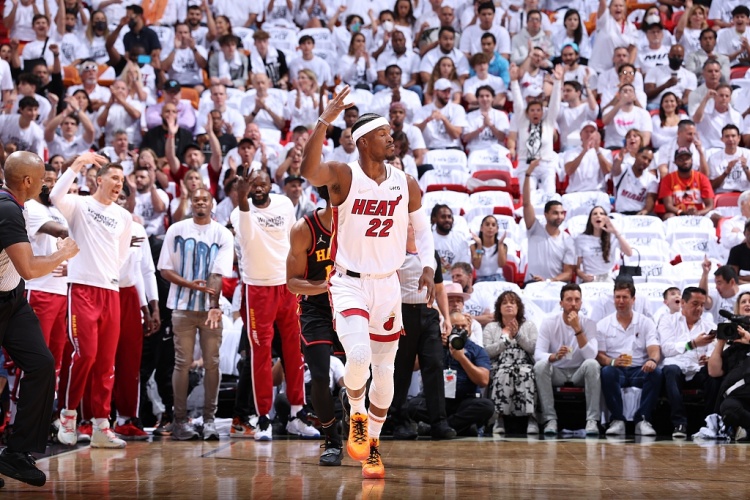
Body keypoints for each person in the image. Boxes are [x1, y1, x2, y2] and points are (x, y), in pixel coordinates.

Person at [300, 88, 435, 479]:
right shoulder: (344, 175)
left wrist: (428, 266)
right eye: (383, 134)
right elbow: (308, 170)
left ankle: (372, 445)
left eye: (391, 133)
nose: (391, 138)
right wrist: (324, 121)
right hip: (349, 282)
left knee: (386, 374)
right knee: (357, 357)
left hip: (389, 285)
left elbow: (422, 230)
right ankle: (355, 411)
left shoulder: (405, 182)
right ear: (362, 141)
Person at [0, 151, 79, 487]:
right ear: (27, 181)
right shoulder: (7, 210)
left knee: (42, 364)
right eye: (44, 177)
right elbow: (30, 269)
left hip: (12, 299)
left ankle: (16, 452)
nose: (47, 182)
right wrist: (62, 254)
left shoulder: (19, 206)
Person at [50, 152, 133, 448]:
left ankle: (101, 425)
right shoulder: (80, 204)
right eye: (114, 178)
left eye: (122, 180)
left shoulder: (124, 217)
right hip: (82, 289)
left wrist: (106, 274)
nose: (119, 184)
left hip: (110, 291)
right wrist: (76, 164)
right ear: (99, 180)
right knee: (85, 355)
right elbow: (55, 195)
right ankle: (68, 416)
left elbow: (121, 255)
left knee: (107, 363)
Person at [231, 168, 319, 441]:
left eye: (263, 183)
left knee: (295, 351)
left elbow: (292, 242)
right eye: (253, 185)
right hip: (258, 288)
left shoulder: (284, 204)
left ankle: (297, 414)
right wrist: (243, 199)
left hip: (287, 285)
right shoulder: (238, 212)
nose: (258, 188)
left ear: (271, 184)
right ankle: (263, 418)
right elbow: (247, 237)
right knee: (260, 354)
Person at [157, 188, 233, 441]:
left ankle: (209, 420)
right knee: (182, 363)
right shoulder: (175, 229)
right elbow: (164, 269)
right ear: (191, 203)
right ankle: (180, 420)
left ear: (212, 204)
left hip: (211, 309)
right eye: (196, 199)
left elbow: (218, 273)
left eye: (205, 199)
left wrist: (213, 305)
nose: (200, 202)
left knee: (212, 363)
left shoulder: (222, 233)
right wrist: (189, 285)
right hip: (181, 306)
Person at [287, 185, 345, 465]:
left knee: (361, 375)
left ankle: (358, 425)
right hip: (316, 309)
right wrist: (326, 286)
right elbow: (292, 282)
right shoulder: (305, 228)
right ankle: (332, 439)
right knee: (320, 376)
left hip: (351, 304)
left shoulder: (358, 227)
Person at [389, 224, 456, 441]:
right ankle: (399, 422)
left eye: (414, 224)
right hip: (402, 313)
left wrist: (446, 318)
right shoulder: (393, 250)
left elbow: (440, 289)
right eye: (408, 224)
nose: (412, 227)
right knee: (401, 369)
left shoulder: (430, 253)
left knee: (434, 364)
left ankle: (439, 422)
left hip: (428, 314)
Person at [407, 311, 494, 436]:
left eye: (463, 326)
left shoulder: (477, 350)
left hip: (464, 400)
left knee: (487, 406)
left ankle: (436, 428)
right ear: (446, 327)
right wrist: (433, 344)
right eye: (455, 327)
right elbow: (413, 366)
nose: (459, 330)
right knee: (412, 406)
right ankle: (461, 427)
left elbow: (483, 381)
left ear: (469, 328)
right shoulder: (435, 345)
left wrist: (462, 358)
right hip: (436, 400)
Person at [597, 280, 662, 436]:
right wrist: (612, 361)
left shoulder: (646, 323)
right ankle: (617, 420)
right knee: (607, 372)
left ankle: (643, 420)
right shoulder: (603, 324)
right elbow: (599, 355)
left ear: (633, 299)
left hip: (639, 368)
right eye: (617, 297)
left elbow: (654, 349)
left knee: (656, 372)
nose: (620, 301)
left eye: (625, 297)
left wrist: (652, 361)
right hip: (617, 369)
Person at [534, 283, 600, 435]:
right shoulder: (549, 322)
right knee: (540, 366)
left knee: (592, 364)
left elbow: (591, 355)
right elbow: (538, 354)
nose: (573, 304)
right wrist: (555, 356)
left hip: (579, 372)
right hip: (557, 371)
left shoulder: (589, 324)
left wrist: (577, 329)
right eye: (569, 300)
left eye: (577, 300)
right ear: (561, 303)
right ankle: (550, 419)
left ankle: (592, 420)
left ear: (581, 303)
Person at [24, 164, 69, 384]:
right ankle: (20, 403)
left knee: (55, 355)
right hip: (39, 288)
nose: (51, 185)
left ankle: (49, 402)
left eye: (54, 180)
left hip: (62, 290)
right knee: (35, 355)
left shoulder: (58, 211)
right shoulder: (30, 206)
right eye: (47, 180)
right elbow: (59, 231)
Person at [659, 286, 721, 438]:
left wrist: (709, 358)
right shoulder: (668, 320)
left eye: (702, 305)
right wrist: (692, 344)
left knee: (713, 374)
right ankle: (679, 423)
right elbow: (666, 349)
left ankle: (709, 423)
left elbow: (713, 349)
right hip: (676, 368)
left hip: (697, 369)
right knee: (671, 370)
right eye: (695, 304)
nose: (699, 308)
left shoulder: (709, 325)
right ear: (683, 303)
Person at [484, 291, 539, 435]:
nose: (509, 305)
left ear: (518, 307)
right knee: (504, 372)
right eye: (504, 303)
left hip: (524, 363)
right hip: (499, 364)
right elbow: (487, 351)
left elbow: (534, 348)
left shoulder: (529, 326)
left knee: (526, 373)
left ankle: (531, 418)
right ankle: (499, 418)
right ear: (499, 308)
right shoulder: (491, 327)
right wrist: (506, 340)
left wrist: (518, 336)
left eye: (512, 302)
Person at [708, 291, 750, 440]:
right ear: (737, 308)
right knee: (728, 408)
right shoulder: (729, 332)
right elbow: (714, 371)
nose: (747, 304)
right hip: (738, 395)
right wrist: (721, 341)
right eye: (743, 301)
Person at [575, 206, 633, 283]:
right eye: (595, 214)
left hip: (608, 278)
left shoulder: (613, 236)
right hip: (590, 279)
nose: (598, 216)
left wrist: (615, 232)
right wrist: (583, 275)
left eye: (601, 214)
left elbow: (629, 253)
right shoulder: (581, 238)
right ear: (590, 219)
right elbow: (577, 267)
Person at [658, 147, 715, 219]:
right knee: (668, 216)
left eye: (687, 158)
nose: (685, 161)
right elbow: (668, 206)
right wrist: (682, 212)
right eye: (681, 159)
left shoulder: (701, 177)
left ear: (692, 160)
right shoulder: (668, 179)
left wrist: (698, 213)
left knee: (715, 217)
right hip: (678, 214)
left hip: (699, 214)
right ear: (675, 162)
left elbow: (710, 205)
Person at [562, 121, 612, 193]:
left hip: (597, 191)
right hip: (576, 192)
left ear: (597, 134)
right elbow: (568, 171)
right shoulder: (571, 153)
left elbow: (608, 170)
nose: (589, 134)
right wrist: (584, 151)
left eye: (592, 131)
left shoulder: (605, 152)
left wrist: (597, 150)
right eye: (586, 131)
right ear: (581, 135)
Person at [612, 146, 658, 215]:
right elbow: (614, 171)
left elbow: (650, 201)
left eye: (649, 161)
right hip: (621, 214)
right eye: (644, 157)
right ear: (636, 155)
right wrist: (619, 158)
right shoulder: (624, 168)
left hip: (638, 214)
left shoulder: (651, 179)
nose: (646, 162)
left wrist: (645, 211)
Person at [431, 204, 472, 281]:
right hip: (433, 282)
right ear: (434, 219)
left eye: (449, 217)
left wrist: (453, 269)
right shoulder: (428, 239)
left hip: (455, 282)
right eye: (443, 217)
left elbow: (465, 266)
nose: (447, 220)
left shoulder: (461, 239)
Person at [709, 125, 750, 193]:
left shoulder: (748, 154)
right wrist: (726, 172)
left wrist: (746, 168)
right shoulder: (713, 158)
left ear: (739, 138)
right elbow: (712, 186)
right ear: (722, 139)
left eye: (733, 136)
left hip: (744, 193)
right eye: (727, 136)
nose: (730, 139)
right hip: (723, 193)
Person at [471, 215, 508, 283]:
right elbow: (476, 265)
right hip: (481, 280)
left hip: (498, 278)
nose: (490, 227)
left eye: (493, 225)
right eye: (487, 224)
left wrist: (500, 245)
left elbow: (501, 264)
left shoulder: (503, 246)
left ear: (497, 229)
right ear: (481, 228)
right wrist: (479, 245)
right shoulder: (474, 246)